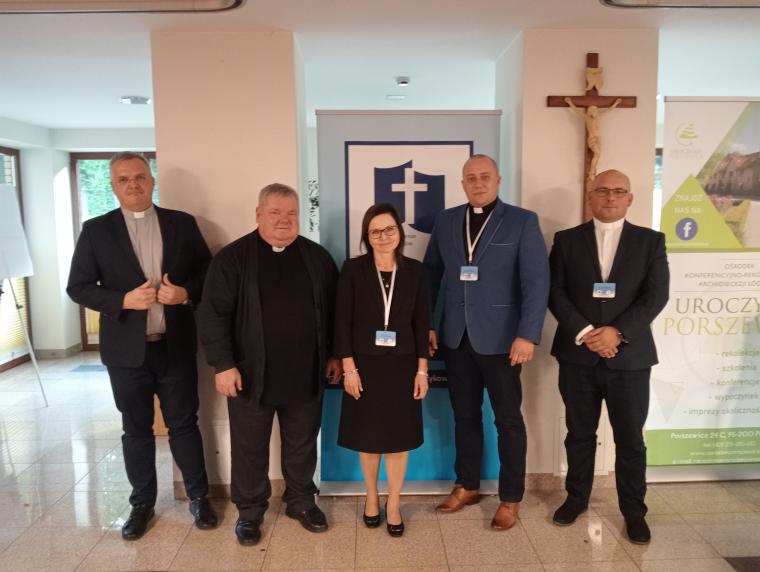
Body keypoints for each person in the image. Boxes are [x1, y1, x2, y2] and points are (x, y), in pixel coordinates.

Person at [67, 152, 217, 540]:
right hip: (126, 352)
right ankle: (141, 504)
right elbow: (77, 287)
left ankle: (199, 497)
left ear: (151, 180)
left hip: (174, 345)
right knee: (135, 429)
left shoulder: (182, 223)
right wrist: (122, 300)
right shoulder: (96, 231)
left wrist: (185, 293)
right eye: (123, 179)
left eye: (139, 176)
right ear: (113, 186)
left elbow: (209, 271)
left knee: (184, 424)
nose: (133, 184)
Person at [198, 183, 340, 546]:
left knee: (302, 442)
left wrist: (334, 354)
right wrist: (223, 364)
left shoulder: (317, 258)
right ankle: (249, 512)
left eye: (291, 213)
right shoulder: (232, 259)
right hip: (249, 375)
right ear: (259, 214)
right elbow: (212, 315)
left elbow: (336, 311)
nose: (284, 220)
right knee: (249, 447)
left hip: (306, 372)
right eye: (275, 212)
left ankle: (301, 501)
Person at [423, 154, 550, 530]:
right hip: (456, 337)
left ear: (498, 180)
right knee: (464, 416)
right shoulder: (446, 221)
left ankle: (511, 497)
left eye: (484, 176)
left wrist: (527, 334)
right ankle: (467, 485)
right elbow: (430, 276)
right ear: (462, 183)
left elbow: (536, 282)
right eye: (470, 177)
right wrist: (428, 324)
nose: (477, 183)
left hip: (504, 340)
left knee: (508, 420)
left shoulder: (522, 221)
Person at [548, 169, 669, 545]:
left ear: (630, 199)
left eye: (619, 191)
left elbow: (656, 295)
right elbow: (555, 292)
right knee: (579, 434)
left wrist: (617, 332)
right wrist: (587, 332)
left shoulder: (650, 241)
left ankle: (634, 512)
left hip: (630, 360)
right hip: (578, 357)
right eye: (602, 190)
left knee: (630, 439)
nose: (610, 197)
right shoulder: (566, 240)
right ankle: (576, 499)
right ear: (590, 197)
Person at [334, 203, 430, 538]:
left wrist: (422, 371)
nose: (383, 236)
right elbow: (342, 322)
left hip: (403, 366)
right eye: (375, 231)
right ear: (367, 236)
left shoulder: (415, 271)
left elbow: (422, 323)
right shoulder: (353, 269)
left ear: (399, 233)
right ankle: (372, 496)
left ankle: (394, 503)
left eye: (389, 229)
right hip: (364, 366)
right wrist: (349, 369)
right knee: (369, 437)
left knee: (398, 439)